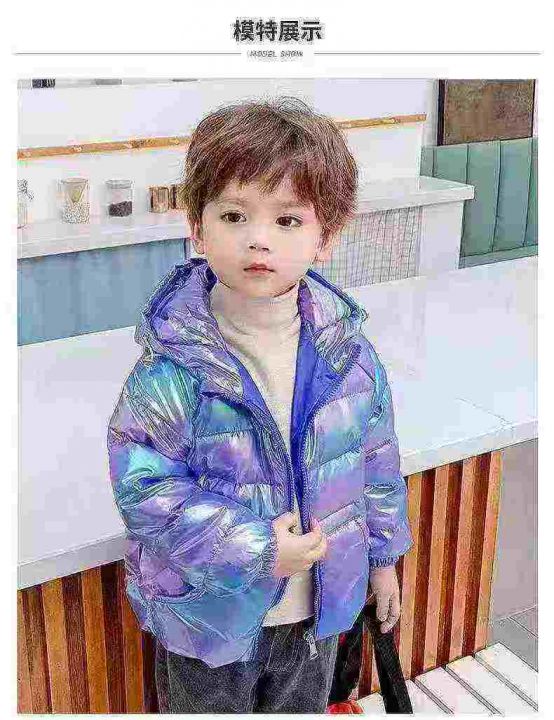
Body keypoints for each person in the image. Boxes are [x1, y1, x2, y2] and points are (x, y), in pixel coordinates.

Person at [107, 96, 413, 714]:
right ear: (197, 228)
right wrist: (259, 549)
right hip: (208, 622)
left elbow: (376, 462)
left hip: (315, 615)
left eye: (288, 220)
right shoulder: (172, 364)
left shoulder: (347, 352)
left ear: (327, 236)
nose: (258, 239)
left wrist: (382, 560)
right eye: (233, 214)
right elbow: (146, 491)